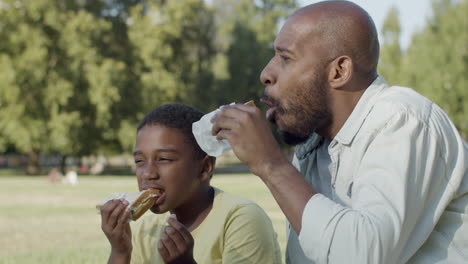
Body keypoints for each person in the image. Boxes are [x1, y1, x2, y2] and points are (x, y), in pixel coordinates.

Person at [211, 1, 468, 263]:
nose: (266, 73)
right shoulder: (313, 143)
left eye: (285, 58)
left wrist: (271, 165)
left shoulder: (403, 119)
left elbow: (362, 255)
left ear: (339, 71)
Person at [99, 103, 281, 264]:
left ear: (205, 168)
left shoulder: (241, 219)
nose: (147, 173)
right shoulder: (146, 229)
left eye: (164, 159)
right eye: (139, 161)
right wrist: (121, 252)